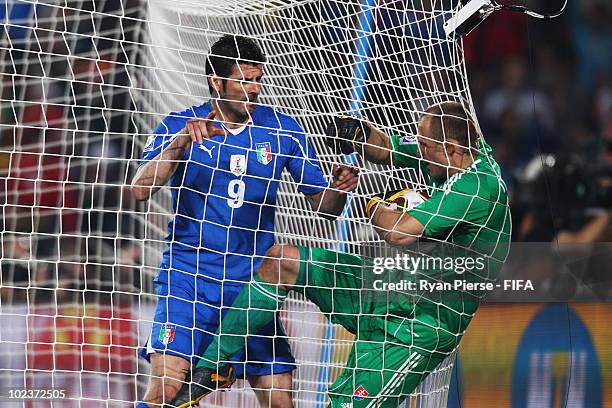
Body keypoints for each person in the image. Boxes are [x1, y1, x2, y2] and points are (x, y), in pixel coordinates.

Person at [171, 101, 511, 407]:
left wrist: (376, 204)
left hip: (418, 326)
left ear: (450, 149)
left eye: (424, 145)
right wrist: (360, 133)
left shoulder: (478, 188)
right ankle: (210, 370)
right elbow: (388, 149)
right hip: (387, 284)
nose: (418, 151)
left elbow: (397, 231)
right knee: (283, 261)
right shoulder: (453, 154)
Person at [131, 35, 359, 408]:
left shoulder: (282, 129)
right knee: (166, 393)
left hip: (252, 287)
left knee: (280, 398)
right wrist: (178, 146)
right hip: (189, 282)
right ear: (215, 82)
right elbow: (140, 190)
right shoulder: (179, 125)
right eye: (244, 80)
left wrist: (340, 188)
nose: (254, 89)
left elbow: (324, 207)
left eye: (257, 80)